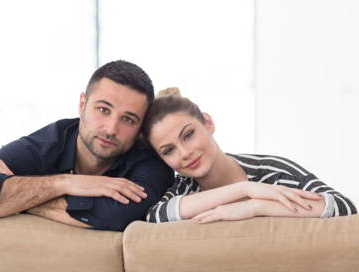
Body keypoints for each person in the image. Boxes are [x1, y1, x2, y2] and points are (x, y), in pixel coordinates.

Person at [0, 60, 174, 231]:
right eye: (103, 110)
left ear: (140, 126)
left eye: (128, 119)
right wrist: (64, 183)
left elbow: (117, 216)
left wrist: (21, 199)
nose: (111, 129)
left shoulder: (152, 160)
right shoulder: (48, 143)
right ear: (82, 104)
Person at [143, 88, 357, 223]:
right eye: (169, 150)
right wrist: (244, 189)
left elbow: (343, 206)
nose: (185, 153)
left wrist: (255, 206)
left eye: (188, 135)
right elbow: (156, 215)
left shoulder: (273, 172)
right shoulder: (183, 188)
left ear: (208, 123)